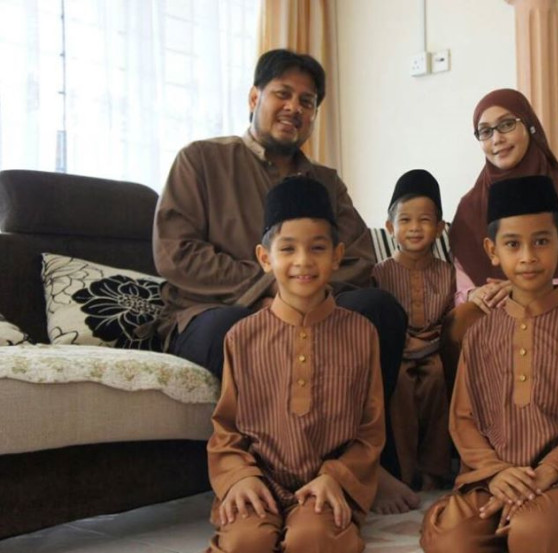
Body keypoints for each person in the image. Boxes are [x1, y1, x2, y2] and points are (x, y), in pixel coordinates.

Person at [152, 48, 415, 513]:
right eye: (283, 94)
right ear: (255, 97)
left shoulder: (325, 182)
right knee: (232, 328)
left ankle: (362, 466)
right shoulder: (201, 160)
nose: (295, 107)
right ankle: (258, 472)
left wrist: (302, 296)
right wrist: (274, 292)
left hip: (312, 310)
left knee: (378, 309)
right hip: (212, 312)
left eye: (307, 101)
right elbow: (177, 253)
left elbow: (357, 256)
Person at [421, 175, 558, 553]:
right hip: (494, 479)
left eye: (542, 242)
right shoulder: (480, 334)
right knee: (450, 538)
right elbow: (464, 420)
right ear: (493, 251)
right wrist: (496, 473)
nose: (528, 257)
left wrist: (550, 471)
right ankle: (508, 510)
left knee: (534, 530)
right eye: (513, 244)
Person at [205, 177, 383, 553]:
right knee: (245, 542)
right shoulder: (242, 336)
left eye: (317, 248)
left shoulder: (362, 333)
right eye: (288, 249)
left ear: (337, 256)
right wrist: (239, 476)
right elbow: (226, 428)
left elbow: (370, 431)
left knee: (312, 538)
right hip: (260, 482)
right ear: (265, 258)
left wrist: (337, 477)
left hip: (327, 484)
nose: (303, 261)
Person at [442, 88, 558, 387]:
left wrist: (532, 290)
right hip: (495, 319)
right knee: (459, 324)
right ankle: (472, 416)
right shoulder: (471, 206)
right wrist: (476, 295)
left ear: (530, 126)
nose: (497, 139)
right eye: (485, 131)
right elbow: (463, 293)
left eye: (507, 124)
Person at [371, 169, 453, 503]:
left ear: (440, 227)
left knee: (437, 378)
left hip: (434, 350)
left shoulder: (448, 273)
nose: (415, 228)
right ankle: (403, 473)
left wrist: (430, 343)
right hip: (399, 353)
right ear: (390, 228)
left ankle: (434, 470)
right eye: (405, 220)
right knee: (401, 385)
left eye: (424, 220)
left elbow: (450, 319)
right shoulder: (379, 273)